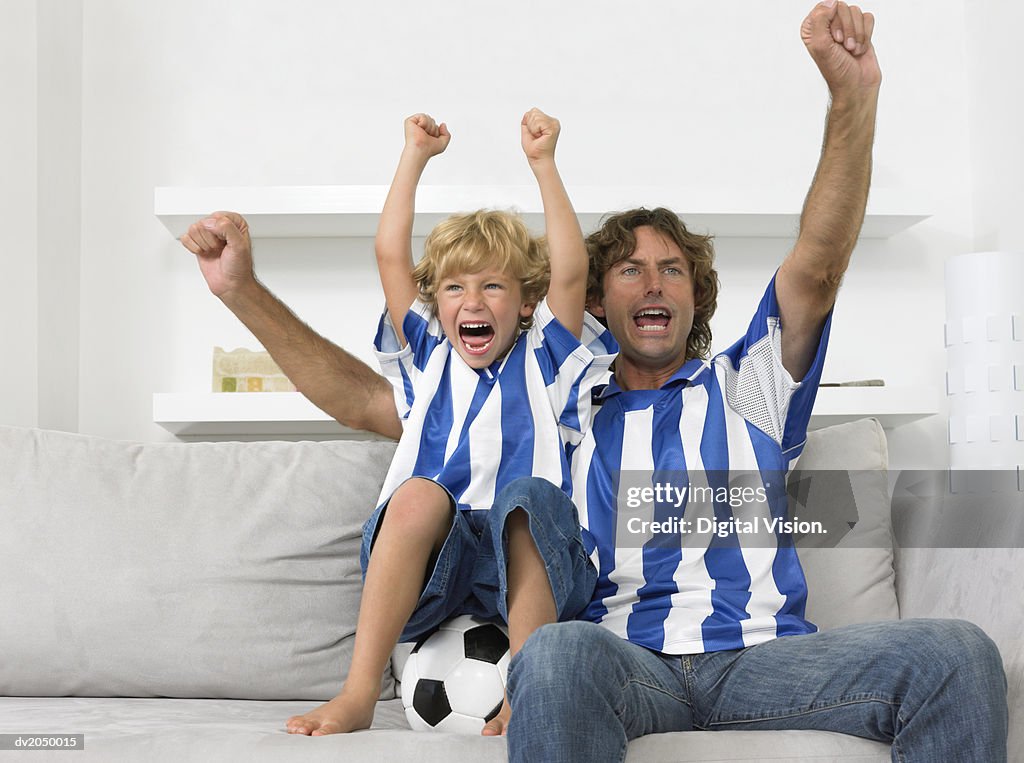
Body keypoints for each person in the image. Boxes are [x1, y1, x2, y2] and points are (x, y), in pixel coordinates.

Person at [180, 2, 1008, 760]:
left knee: (955, 653)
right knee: (556, 654)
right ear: (593, 305)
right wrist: (243, 291)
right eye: (631, 270)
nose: (653, 283)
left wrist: (850, 100)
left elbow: (818, 266)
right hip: (619, 662)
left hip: (764, 663)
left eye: (673, 270)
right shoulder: (553, 400)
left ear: (698, 294)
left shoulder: (749, 388)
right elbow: (363, 396)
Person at [183, 109, 615, 736]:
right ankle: (358, 693)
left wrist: (543, 164)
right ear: (434, 302)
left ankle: (526, 692)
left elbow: (569, 269)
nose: (472, 302)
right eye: (454, 289)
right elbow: (390, 253)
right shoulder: (428, 359)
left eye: (493, 287)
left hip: (527, 560)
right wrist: (414, 156)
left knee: (527, 499)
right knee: (416, 494)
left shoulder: (547, 361)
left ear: (525, 303)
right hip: (435, 566)